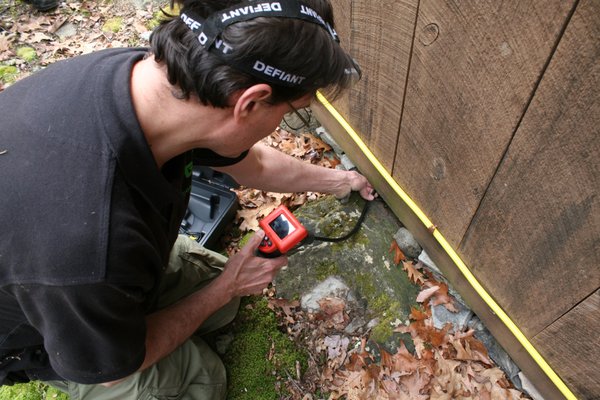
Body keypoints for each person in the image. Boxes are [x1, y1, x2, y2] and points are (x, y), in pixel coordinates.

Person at [0, 0, 375, 398]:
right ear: (248, 102)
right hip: (43, 330)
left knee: (213, 284)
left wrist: (340, 180)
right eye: (291, 112)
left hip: (81, 273)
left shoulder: (152, 82)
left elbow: (255, 163)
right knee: (200, 376)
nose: (281, 124)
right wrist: (227, 287)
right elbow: (111, 369)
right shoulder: (88, 246)